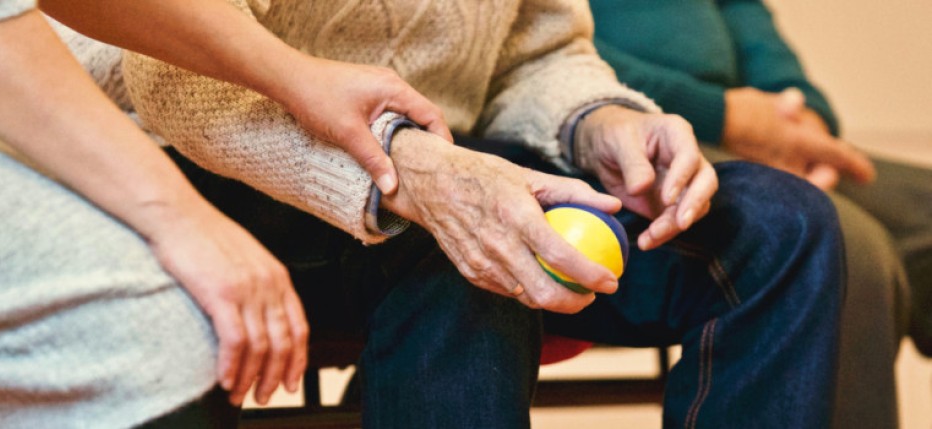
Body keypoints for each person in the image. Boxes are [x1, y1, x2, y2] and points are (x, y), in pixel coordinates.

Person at [119, 1, 850, 427]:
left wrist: (601, 122)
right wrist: (409, 169)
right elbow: (176, 80)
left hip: (451, 153)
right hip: (200, 159)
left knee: (780, 227)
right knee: (467, 248)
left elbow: (537, 51)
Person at [0, 0, 449, 427]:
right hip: (127, 132)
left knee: (457, 257)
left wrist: (298, 76)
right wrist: (181, 218)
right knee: (158, 337)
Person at [587, 0, 929, 426]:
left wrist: (802, 119)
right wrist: (726, 117)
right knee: (834, 240)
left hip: (750, 127)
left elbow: (743, 12)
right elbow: (545, 53)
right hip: (618, 133)